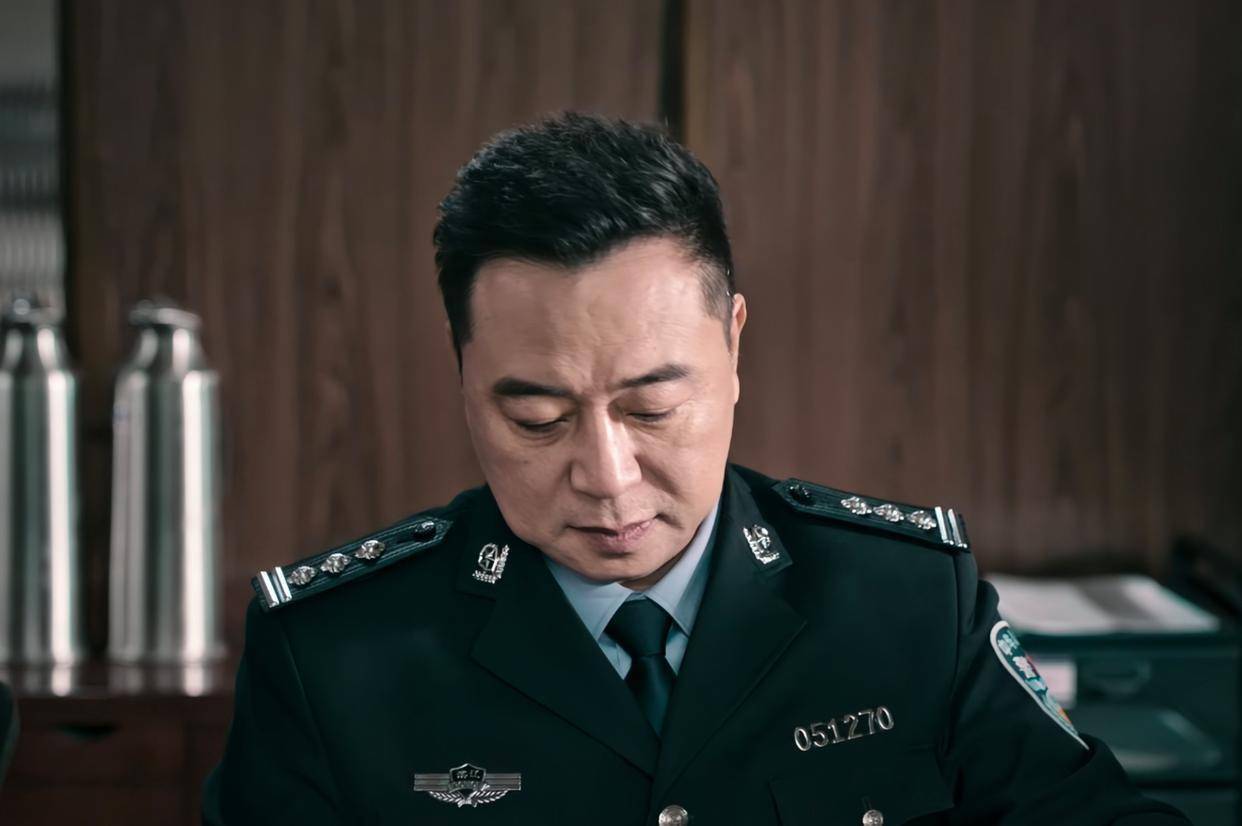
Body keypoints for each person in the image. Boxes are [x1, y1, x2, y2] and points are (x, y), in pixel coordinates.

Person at [202, 113, 1188, 825]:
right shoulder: (332, 654)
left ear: (734, 344)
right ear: (464, 378)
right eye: (538, 418)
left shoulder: (909, 601)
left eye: (652, 409)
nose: (607, 477)